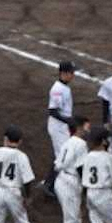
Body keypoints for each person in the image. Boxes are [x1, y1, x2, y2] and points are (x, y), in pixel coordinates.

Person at [53, 115, 92, 223]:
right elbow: (81, 168)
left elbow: (56, 164)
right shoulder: (81, 144)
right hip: (69, 182)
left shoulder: (68, 142)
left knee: (75, 218)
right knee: (72, 222)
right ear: (79, 128)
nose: (87, 129)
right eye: (86, 126)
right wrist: (88, 187)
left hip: (63, 180)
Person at [44, 61, 76, 196]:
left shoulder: (64, 87)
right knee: (62, 155)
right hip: (58, 127)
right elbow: (53, 111)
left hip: (62, 126)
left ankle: (50, 182)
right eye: (71, 73)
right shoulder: (57, 89)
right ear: (64, 73)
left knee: (63, 154)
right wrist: (69, 121)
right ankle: (49, 185)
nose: (73, 75)